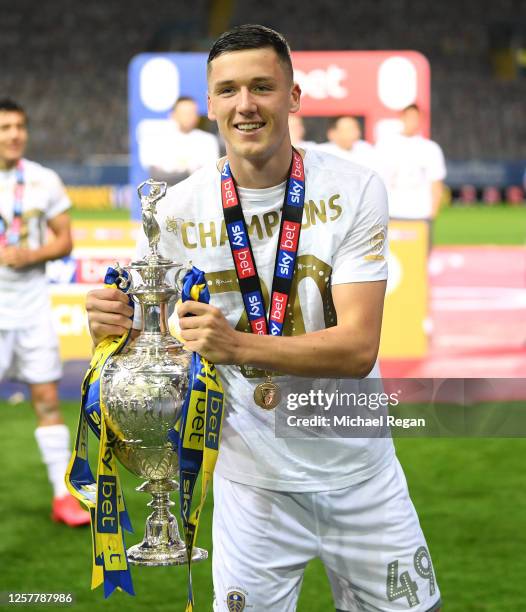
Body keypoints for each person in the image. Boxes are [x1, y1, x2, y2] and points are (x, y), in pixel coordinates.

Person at [86, 26, 441, 611]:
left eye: (261, 87)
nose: (244, 105)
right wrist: (110, 327)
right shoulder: (175, 212)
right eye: (227, 91)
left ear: (294, 97)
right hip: (252, 488)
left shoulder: (354, 189)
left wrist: (238, 345)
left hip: (361, 474)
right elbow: (153, 346)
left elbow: (357, 350)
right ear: (210, 105)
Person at [0, 99, 89, 527]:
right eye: (4, 127)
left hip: (32, 307)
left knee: (48, 402)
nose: (14, 134)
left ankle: (62, 497)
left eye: (19, 126)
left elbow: (65, 240)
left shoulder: (42, 179)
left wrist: (30, 254)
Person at [376, 104, 446, 222]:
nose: (412, 122)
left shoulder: (431, 148)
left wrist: (433, 212)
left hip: (420, 212)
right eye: (409, 117)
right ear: (402, 118)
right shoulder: (385, 145)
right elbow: (377, 180)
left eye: (416, 118)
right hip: (392, 212)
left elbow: (436, 182)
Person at [146, 95, 220, 185]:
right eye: (184, 113)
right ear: (173, 115)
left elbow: (210, 174)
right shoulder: (159, 140)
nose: (189, 116)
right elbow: (156, 175)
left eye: (192, 112)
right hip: (168, 196)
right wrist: (189, 172)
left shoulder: (208, 140)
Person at [318, 115, 383, 173]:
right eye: (348, 129)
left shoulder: (365, 148)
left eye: (355, 128)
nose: (354, 132)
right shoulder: (321, 152)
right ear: (332, 134)